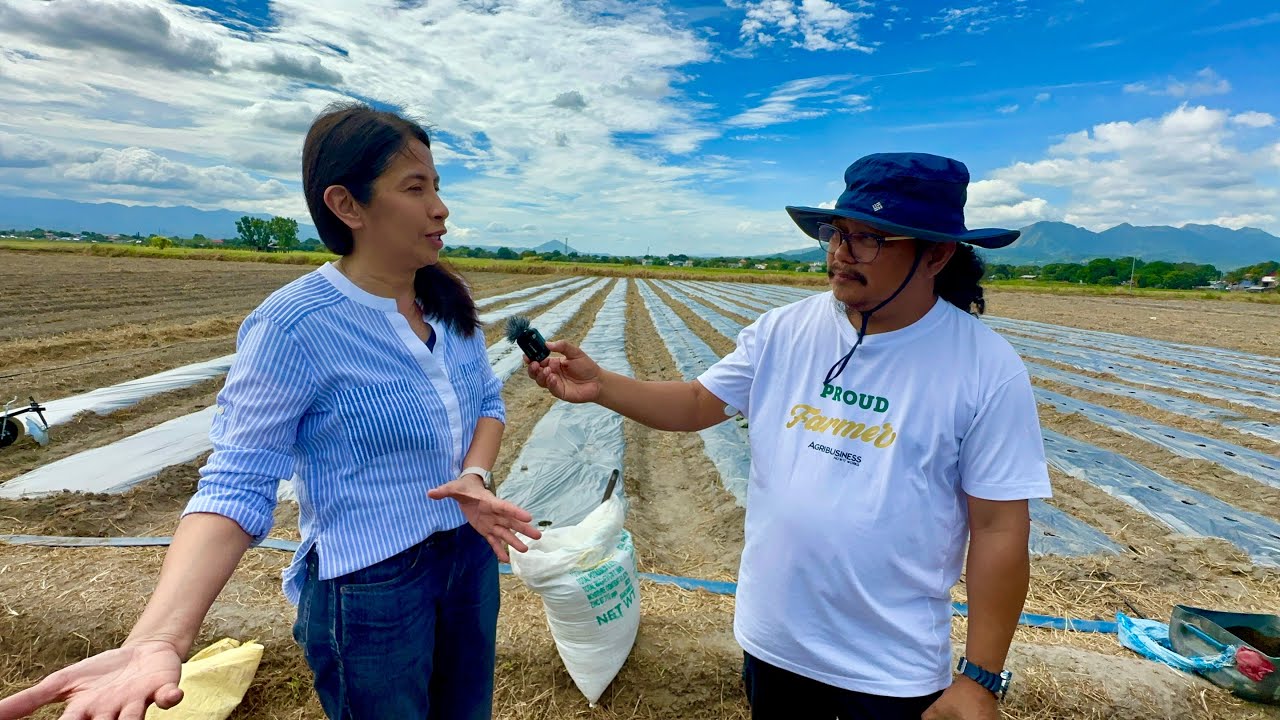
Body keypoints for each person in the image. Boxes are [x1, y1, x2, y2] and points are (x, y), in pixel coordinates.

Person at [0, 102, 541, 720]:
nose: (440, 208)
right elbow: (236, 480)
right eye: (415, 188)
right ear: (347, 206)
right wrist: (160, 637)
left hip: (469, 558)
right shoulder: (294, 326)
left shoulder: (448, 306)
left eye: (437, 187)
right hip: (371, 587)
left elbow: (488, 408)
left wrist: (473, 477)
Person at [525, 153, 1052, 720]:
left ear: (937, 254)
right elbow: (700, 402)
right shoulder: (786, 329)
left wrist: (979, 679)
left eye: (869, 239)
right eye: (838, 233)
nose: (840, 253)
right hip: (773, 644)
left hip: (890, 670)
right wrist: (600, 384)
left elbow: (998, 527)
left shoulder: (985, 368)